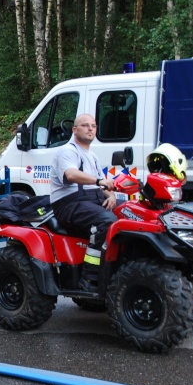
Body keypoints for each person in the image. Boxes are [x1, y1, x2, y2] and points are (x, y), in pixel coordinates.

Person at [50, 113, 117, 292]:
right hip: (69, 204)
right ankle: (90, 279)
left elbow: (103, 184)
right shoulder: (68, 151)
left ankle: (117, 272)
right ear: (75, 129)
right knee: (106, 222)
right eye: (85, 125)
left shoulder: (92, 156)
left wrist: (110, 195)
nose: (90, 129)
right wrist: (98, 182)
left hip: (90, 202)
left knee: (130, 217)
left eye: (93, 126)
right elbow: (71, 174)